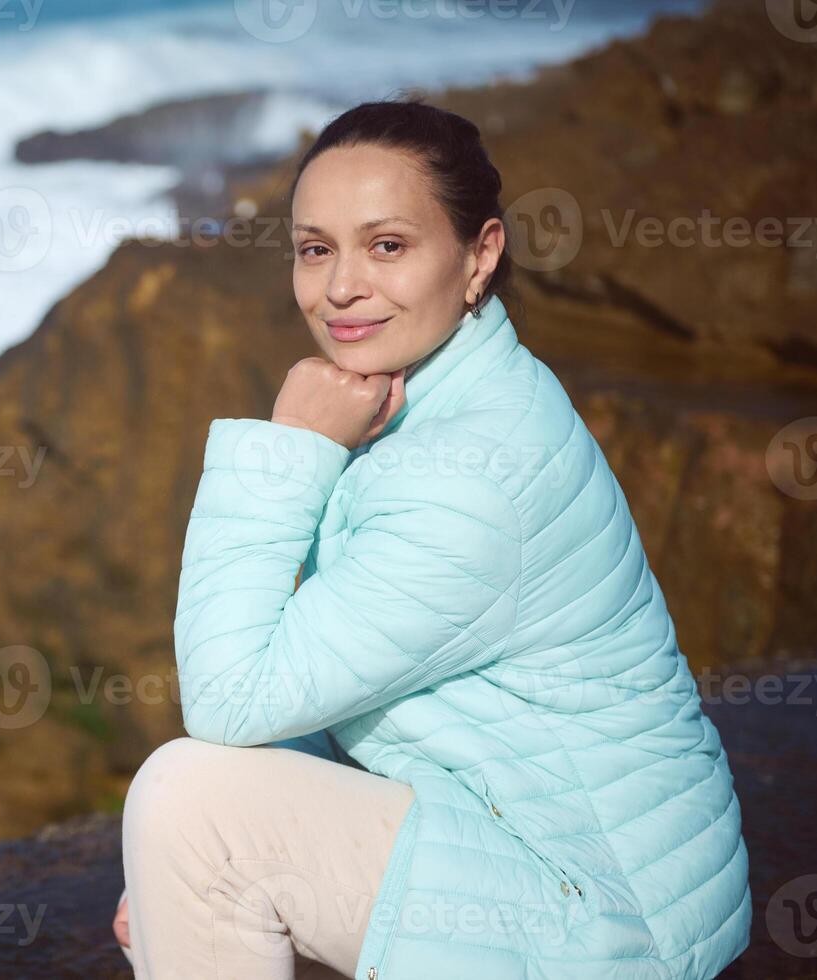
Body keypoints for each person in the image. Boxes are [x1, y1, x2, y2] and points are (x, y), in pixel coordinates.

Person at [113, 98, 751, 980]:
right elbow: (318, 670)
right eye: (314, 249)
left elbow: (227, 696)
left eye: (386, 245)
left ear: (478, 255)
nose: (339, 287)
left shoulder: (464, 476)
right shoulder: (452, 392)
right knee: (191, 826)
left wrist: (291, 448)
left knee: (187, 800)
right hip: (547, 842)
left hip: (610, 920)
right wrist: (176, 872)